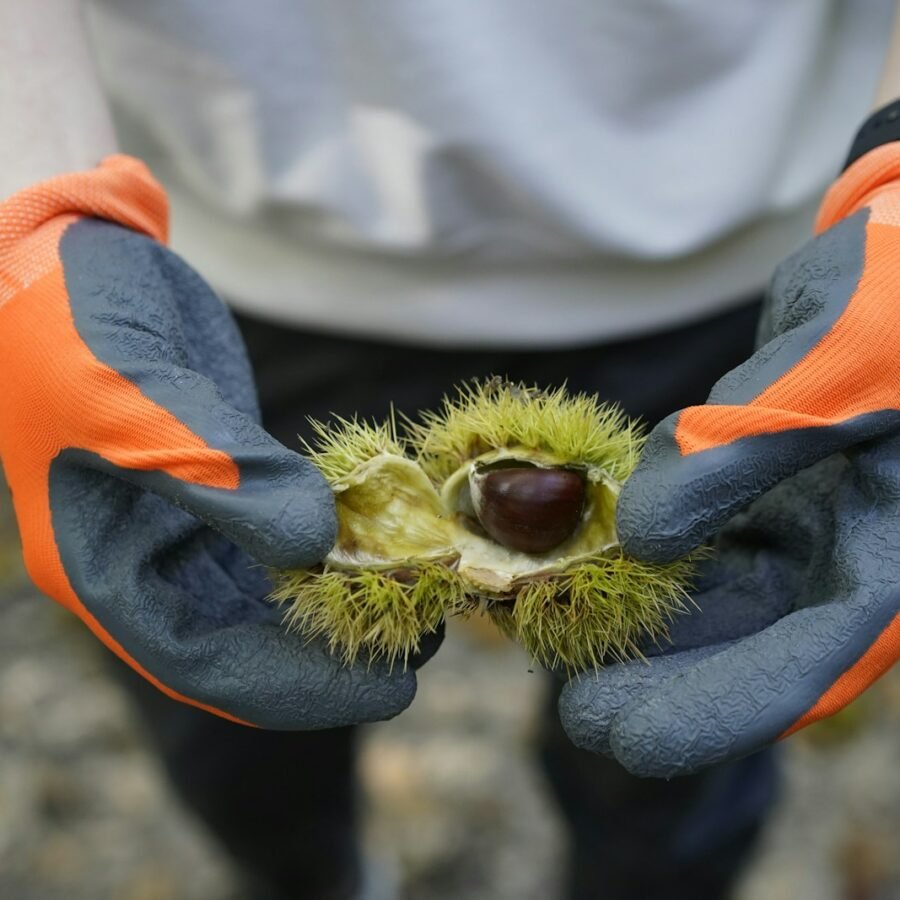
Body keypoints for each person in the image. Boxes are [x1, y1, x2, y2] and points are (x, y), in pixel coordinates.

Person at [1, 2, 898, 898]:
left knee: (693, 723)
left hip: (747, 277)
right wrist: (33, 206)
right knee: (234, 696)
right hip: (233, 274)